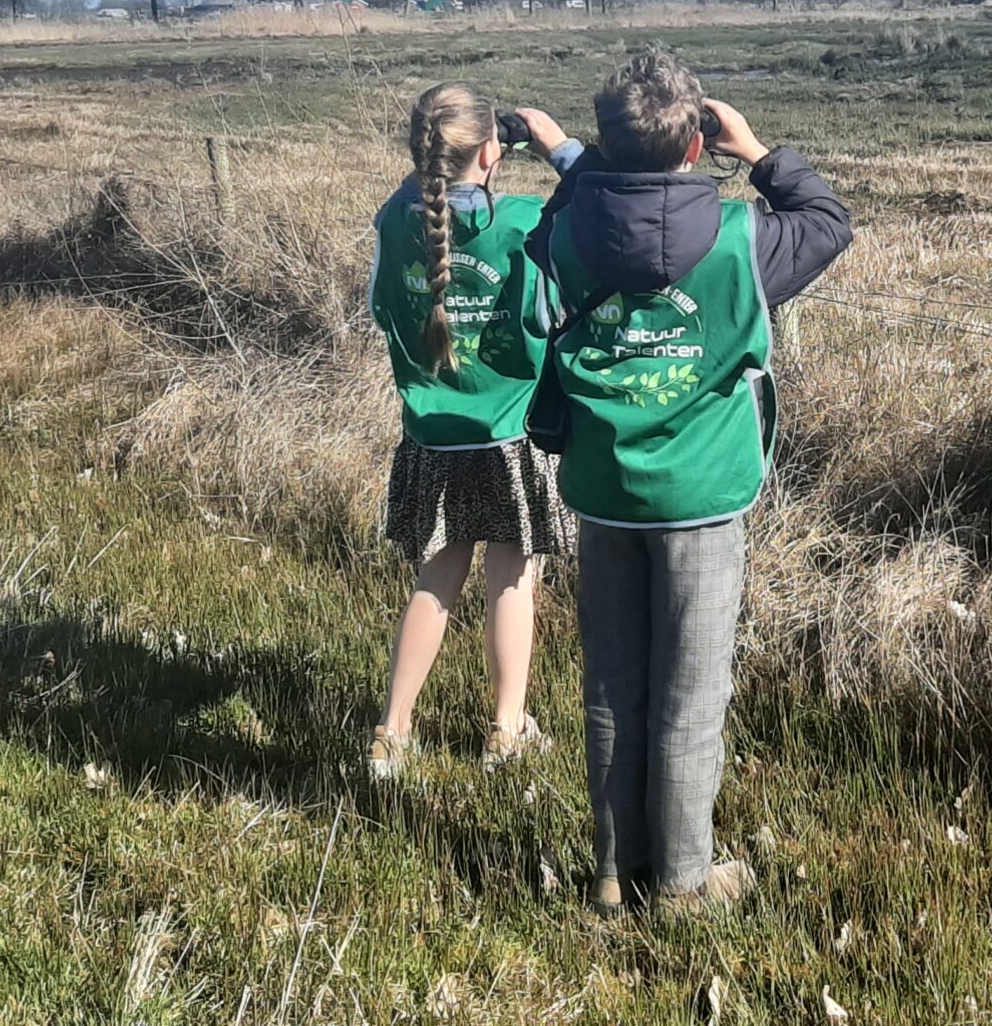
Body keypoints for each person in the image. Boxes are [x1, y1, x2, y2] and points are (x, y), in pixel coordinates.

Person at [530, 48, 853, 914]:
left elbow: (569, 216)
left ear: (609, 143)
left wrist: (596, 165)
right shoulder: (745, 244)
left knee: (611, 689)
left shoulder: (562, 235)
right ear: (695, 144)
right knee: (690, 693)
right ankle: (680, 884)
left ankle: (611, 873)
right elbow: (827, 220)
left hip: (603, 493)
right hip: (705, 498)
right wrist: (757, 154)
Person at [365, 83, 581, 780]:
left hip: (432, 433)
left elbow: (379, 306)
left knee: (439, 573)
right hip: (508, 430)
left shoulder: (395, 223)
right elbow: (598, 222)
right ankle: (507, 726)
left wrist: (456, 159)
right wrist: (555, 146)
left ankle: (392, 731)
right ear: (494, 151)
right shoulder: (522, 222)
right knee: (513, 578)